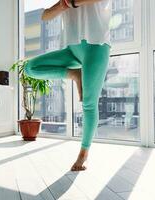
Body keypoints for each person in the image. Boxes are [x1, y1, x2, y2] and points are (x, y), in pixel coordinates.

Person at [24, 0, 112, 171]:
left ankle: (84, 152)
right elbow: (45, 15)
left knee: (88, 103)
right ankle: (73, 74)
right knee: (30, 68)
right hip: (72, 49)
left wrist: (71, 2)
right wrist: (63, 4)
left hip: (97, 46)